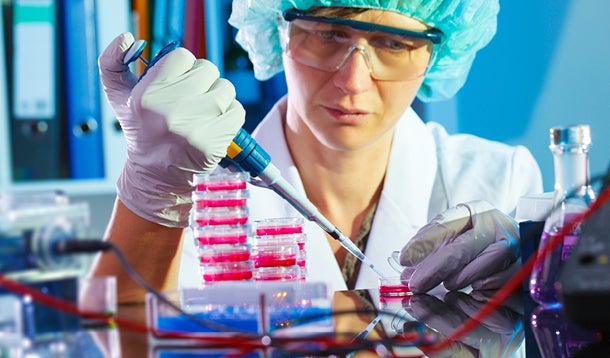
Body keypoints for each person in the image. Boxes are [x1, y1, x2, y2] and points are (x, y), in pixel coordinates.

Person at [89, 0, 543, 304]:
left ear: (435, 54)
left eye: (392, 44)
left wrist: (537, 282)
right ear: (277, 28)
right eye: (328, 33)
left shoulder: (498, 180)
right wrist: (152, 193)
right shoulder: (193, 196)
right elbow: (115, 340)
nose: (353, 81)